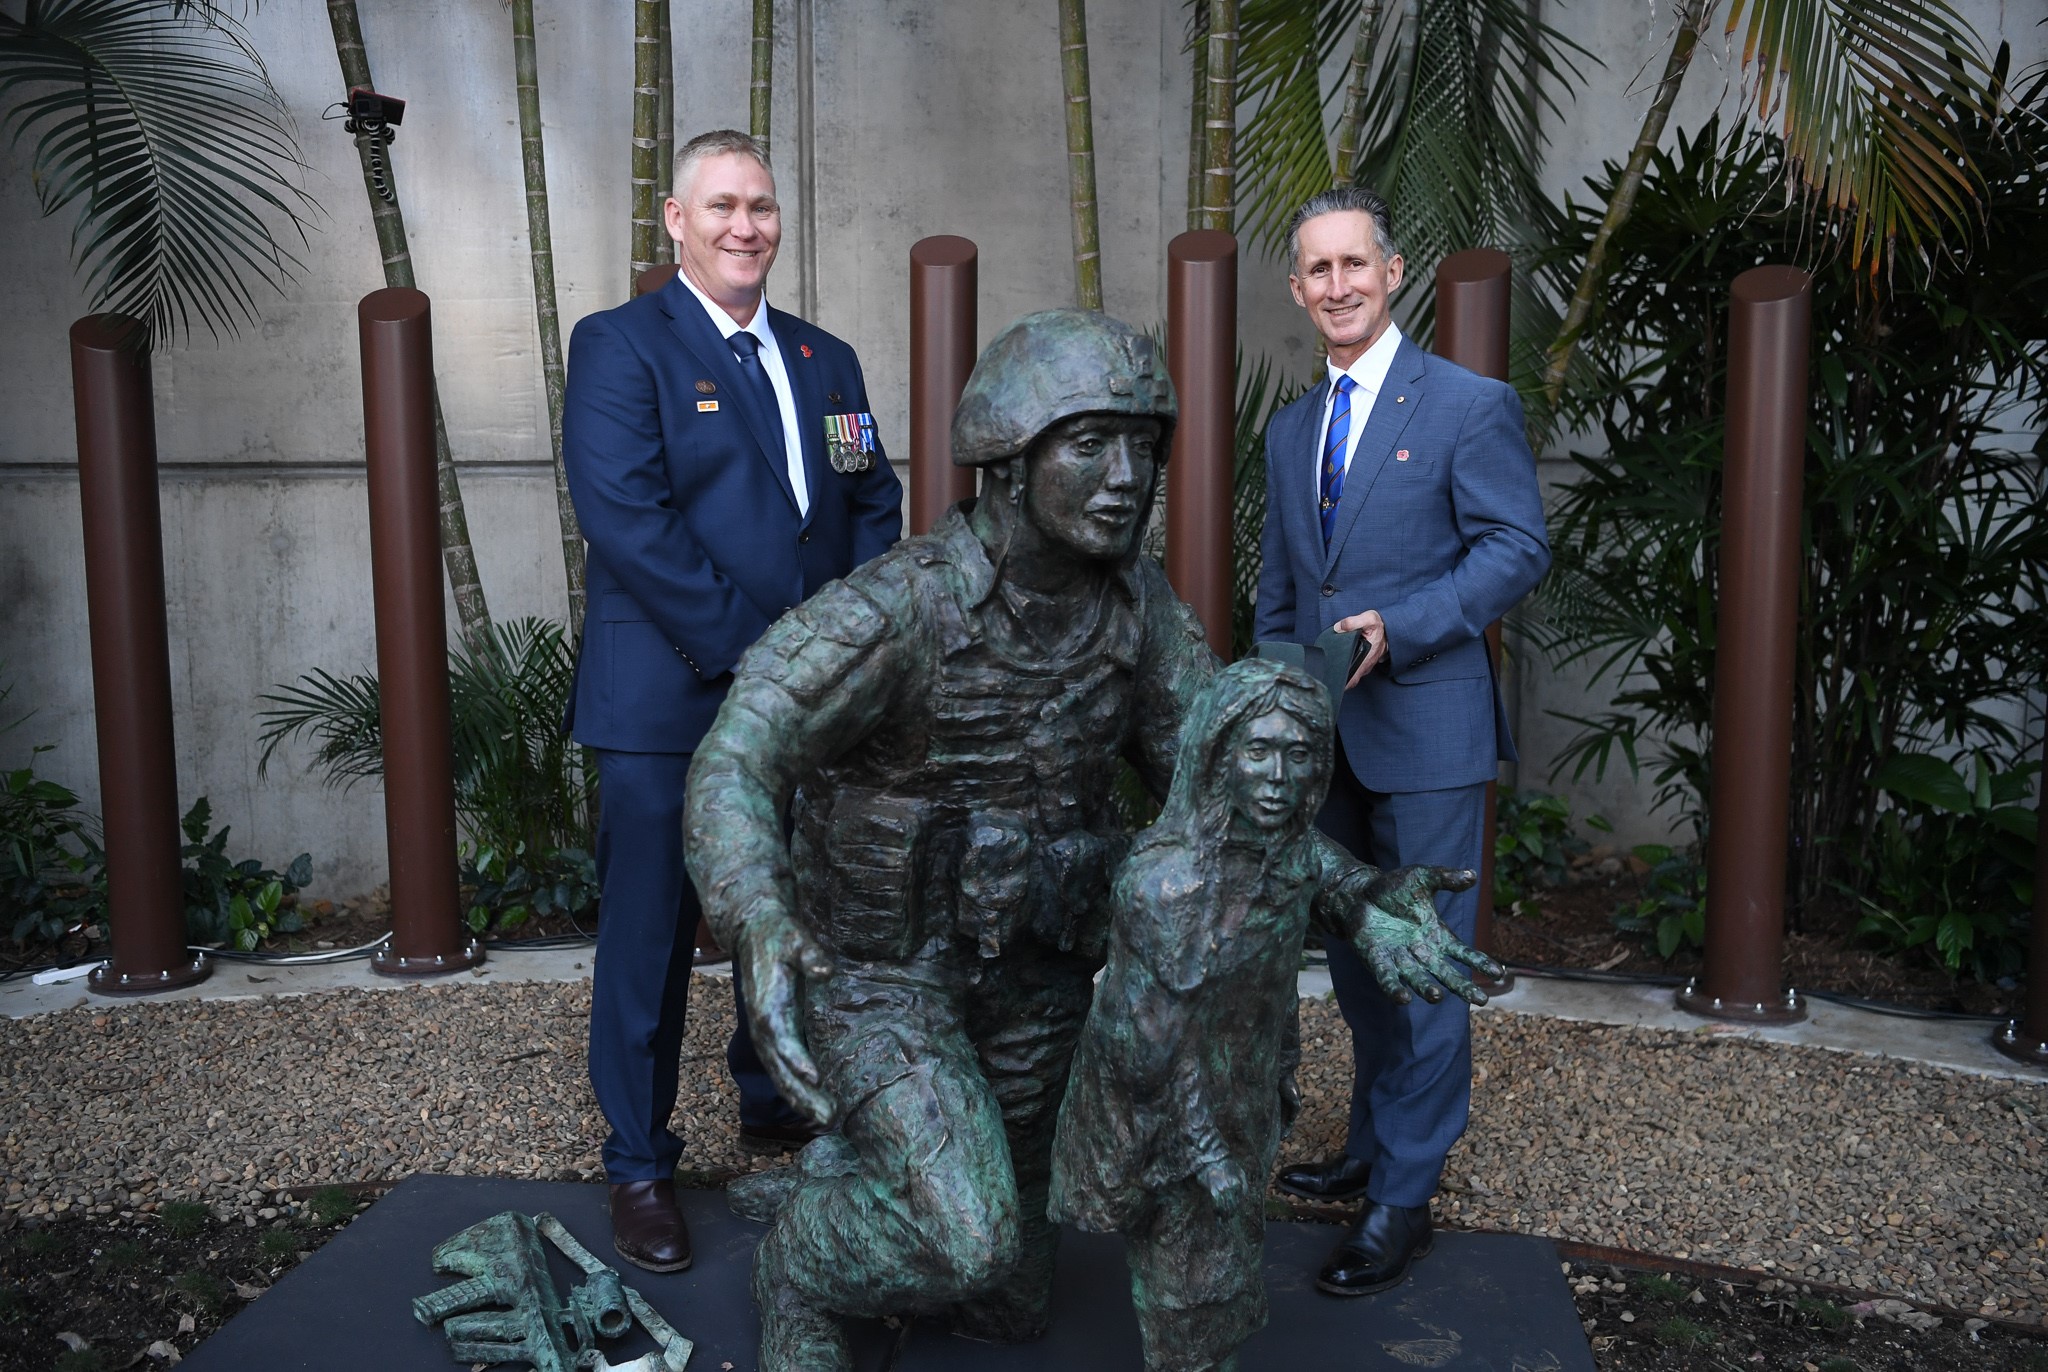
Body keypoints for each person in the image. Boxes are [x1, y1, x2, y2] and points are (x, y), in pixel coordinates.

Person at [684, 308, 1496, 1372]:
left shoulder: (1137, 610)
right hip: (885, 976)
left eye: (1142, 447)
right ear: (1009, 464)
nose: (1125, 476)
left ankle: (866, 1173)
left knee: (1008, 1294)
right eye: (1088, 444)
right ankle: (797, 1261)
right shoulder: (897, 609)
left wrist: (1355, 892)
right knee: (963, 1241)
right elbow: (738, 755)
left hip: (1038, 975)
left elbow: (1215, 792)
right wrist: (758, 916)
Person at [561, 128, 902, 1273]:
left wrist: (841, 648)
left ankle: (771, 1095)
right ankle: (639, 1163)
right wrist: (768, 657)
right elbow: (628, 524)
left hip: (805, 705)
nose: (744, 226)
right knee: (651, 934)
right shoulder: (619, 347)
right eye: (721, 207)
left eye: (759, 205)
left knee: (797, 908)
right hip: (666, 700)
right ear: (674, 219)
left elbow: (870, 503)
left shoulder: (826, 358)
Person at [1253, 185, 1551, 1296]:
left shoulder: (1467, 405)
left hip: (1427, 731)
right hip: (1325, 742)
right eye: (1315, 271)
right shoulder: (1291, 431)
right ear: (1298, 291)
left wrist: (1407, 622)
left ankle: (1402, 1199)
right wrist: (1276, 713)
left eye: (1353, 265)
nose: (1336, 285)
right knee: (1358, 964)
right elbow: (1284, 591)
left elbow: (1517, 545)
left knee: (1421, 965)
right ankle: (1374, 1144)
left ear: (1390, 274)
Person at [1050, 658, 1353, 1372]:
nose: (1279, 775)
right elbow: (1147, 1042)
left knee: (1220, 1280)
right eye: (1259, 750)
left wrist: (1281, 1073)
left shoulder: (1284, 859)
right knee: (1194, 1291)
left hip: (1238, 1100)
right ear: (1219, 757)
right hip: (1164, 1117)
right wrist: (1203, 1145)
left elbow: (1288, 952)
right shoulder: (1169, 883)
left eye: (1298, 754)